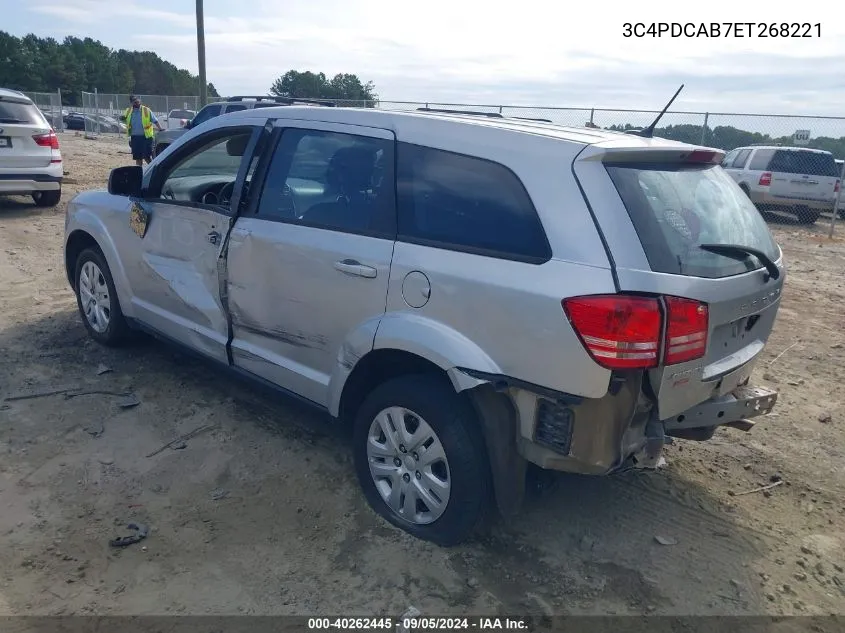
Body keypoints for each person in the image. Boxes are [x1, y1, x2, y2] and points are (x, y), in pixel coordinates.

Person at [123, 95, 163, 166]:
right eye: (135, 102)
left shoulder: (146, 110)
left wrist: (160, 128)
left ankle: (153, 169)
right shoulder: (128, 111)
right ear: (131, 103)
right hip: (135, 137)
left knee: (147, 157)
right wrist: (122, 119)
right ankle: (139, 172)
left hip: (146, 137)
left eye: (138, 102)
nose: (137, 103)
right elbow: (125, 120)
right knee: (138, 158)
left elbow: (155, 121)